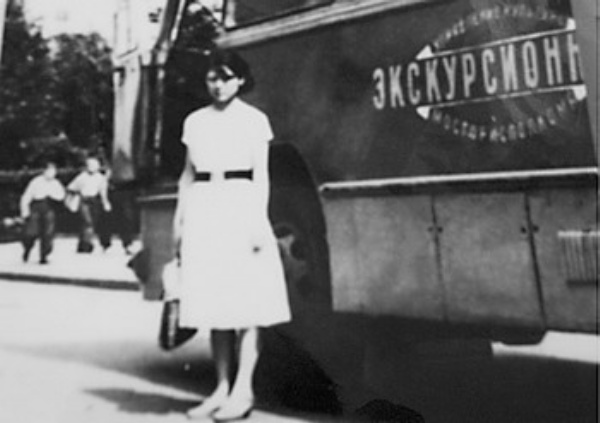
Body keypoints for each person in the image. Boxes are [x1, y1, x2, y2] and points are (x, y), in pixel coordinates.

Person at [173, 49, 291, 421]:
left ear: (240, 80)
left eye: (226, 77)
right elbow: (187, 174)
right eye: (212, 77)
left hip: (241, 207)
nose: (218, 85)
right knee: (215, 303)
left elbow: (262, 176)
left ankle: (244, 390)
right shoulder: (195, 122)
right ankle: (221, 388)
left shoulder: (254, 120)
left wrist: (258, 223)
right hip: (204, 206)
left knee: (247, 303)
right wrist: (179, 222)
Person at [20, 161, 66, 264]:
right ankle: (27, 248)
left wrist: (53, 195)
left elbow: (61, 196)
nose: (52, 174)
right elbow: (26, 196)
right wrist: (25, 211)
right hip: (36, 207)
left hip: (49, 208)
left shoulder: (56, 183)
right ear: (44, 171)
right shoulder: (36, 182)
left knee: (48, 233)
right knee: (31, 232)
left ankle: (44, 255)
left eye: (54, 172)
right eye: (49, 171)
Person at [67, 156, 112, 253]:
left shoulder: (100, 178)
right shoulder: (81, 177)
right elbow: (71, 188)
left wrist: (105, 203)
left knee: (92, 223)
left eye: (95, 165)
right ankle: (87, 245)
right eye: (90, 165)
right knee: (88, 222)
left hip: (94, 201)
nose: (92, 167)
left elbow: (103, 192)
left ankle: (82, 243)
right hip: (84, 200)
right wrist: (70, 201)